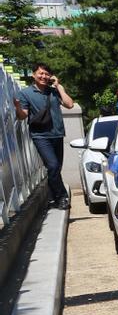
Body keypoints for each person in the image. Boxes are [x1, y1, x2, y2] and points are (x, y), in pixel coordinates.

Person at [13, 62, 76, 210]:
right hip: (40, 136)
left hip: (57, 134)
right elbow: (23, 116)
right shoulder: (25, 93)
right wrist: (17, 107)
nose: (44, 76)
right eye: (41, 73)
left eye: (47, 74)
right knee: (53, 165)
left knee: (55, 168)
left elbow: (70, 104)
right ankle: (62, 197)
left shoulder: (53, 92)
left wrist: (59, 87)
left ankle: (52, 197)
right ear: (33, 74)